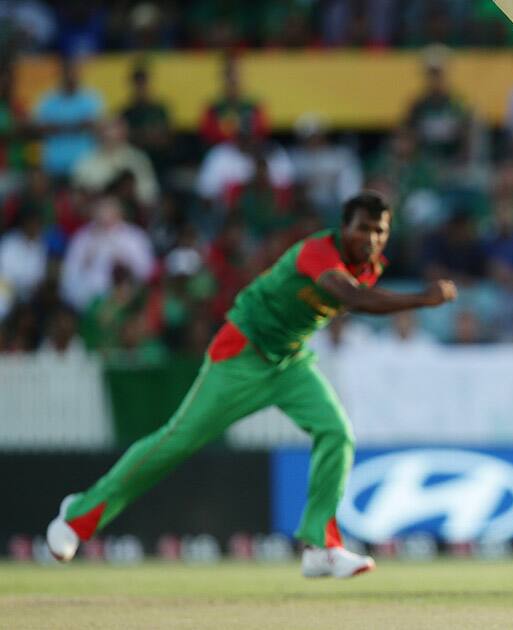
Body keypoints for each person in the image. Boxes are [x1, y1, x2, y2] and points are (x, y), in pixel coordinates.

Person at [46, 191, 458, 579]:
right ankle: (77, 516)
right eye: (363, 228)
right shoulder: (318, 252)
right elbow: (353, 299)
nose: (370, 238)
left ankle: (321, 548)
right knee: (176, 441)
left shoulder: (371, 268)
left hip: (290, 361)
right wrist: (422, 299)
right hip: (242, 353)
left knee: (337, 433)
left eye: (379, 231)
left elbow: (354, 297)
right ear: (343, 228)